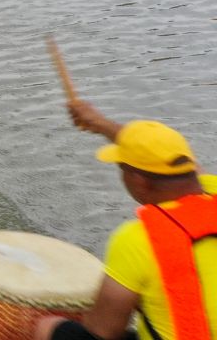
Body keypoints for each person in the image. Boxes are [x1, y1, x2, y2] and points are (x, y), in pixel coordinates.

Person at [32, 121, 216, 340]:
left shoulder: (138, 238)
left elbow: (103, 331)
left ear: (138, 180)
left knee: (49, 327)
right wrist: (97, 122)